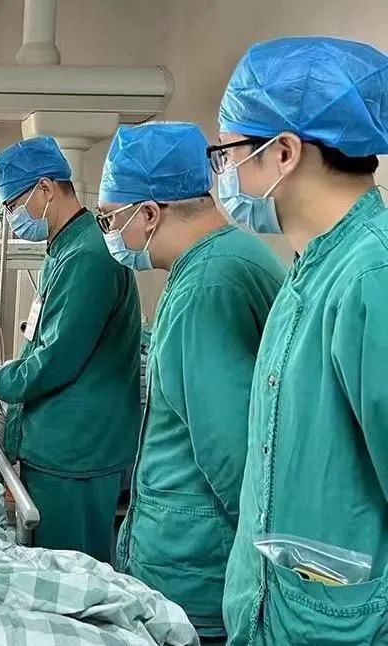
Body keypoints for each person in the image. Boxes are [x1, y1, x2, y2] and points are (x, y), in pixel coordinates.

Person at [211, 37, 388, 645]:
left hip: (340, 624)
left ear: (283, 152)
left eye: (228, 152)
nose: (224, 174)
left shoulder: (372, 277)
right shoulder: (312, 266)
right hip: (277, 609)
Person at [97, 122, 285, 641]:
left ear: (148, 214)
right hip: (200, 549)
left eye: (110, 218)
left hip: (197, 562)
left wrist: (260, 562)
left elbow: (231, 452)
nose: (109, 232)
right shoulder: (234, 255)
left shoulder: (204, 288)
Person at [0, 136, 142, 560]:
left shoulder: (88, 256)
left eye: (13, 206)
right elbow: (45, 342)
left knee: (72, 573)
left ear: (46, 189)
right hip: (60, 443)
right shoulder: (64, 249)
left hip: (77, 451)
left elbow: (53, 362)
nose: (11, 219)